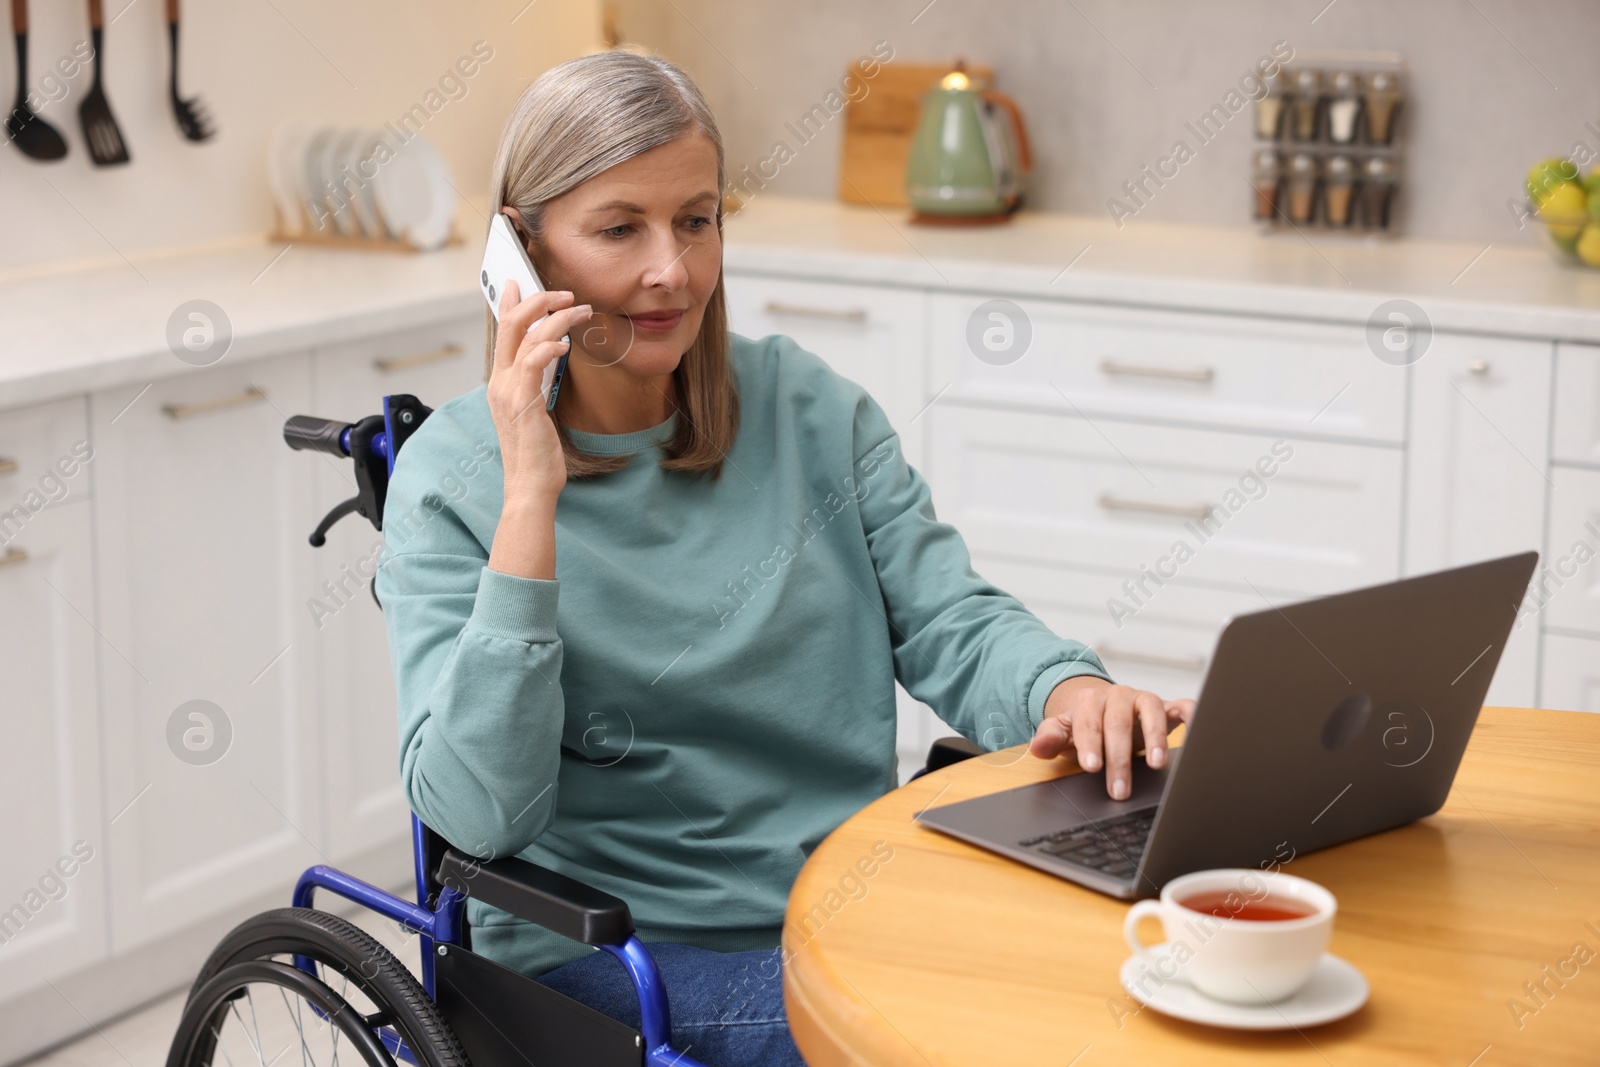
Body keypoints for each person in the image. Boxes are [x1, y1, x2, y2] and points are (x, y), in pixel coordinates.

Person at [374, 49, 1195, 1067]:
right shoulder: (455, 478)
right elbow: (478, 814)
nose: (671, 269)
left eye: (696, 218)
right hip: (608, 956)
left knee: (1137, 975)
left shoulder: (813, 412)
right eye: (620, 227)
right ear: (521, 253)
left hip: (846, 905)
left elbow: (952, 618)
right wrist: (529, 499)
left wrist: (1067, 687)